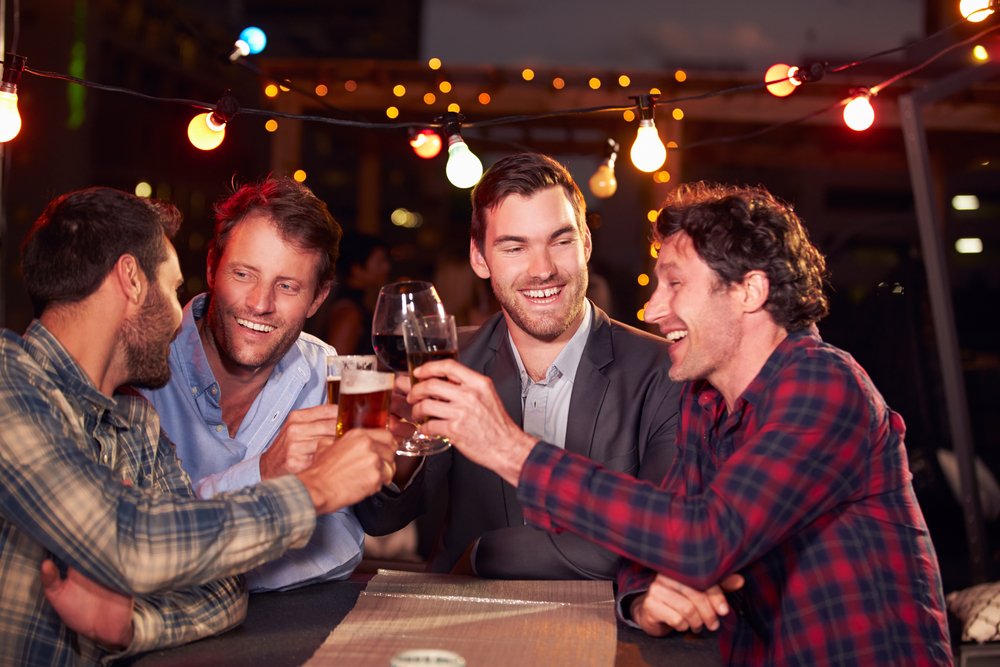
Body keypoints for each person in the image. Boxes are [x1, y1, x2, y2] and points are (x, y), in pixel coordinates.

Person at [406, 182, 952, 664]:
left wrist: (511, 450)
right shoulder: (705, 402)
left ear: (747, 291)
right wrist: (645, 600)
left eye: (673, 284)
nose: (650, 309)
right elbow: (663, 532)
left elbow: (700, 538)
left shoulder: (823, 384)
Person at [0, 187, 396, 665]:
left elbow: (223, 584)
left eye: (287, 285)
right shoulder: (9, 380)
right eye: (172, 289)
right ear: (131, 280)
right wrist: (310, 491)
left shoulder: (133, 422)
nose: (179, 315)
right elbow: (126, 539)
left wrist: (133, 626)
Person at [357, 153, 680, 580]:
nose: (542, 269)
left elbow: (660, 541)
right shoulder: (449, 361)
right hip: (464, 621)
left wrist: (483, 554)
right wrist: (397, 449)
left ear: (585, 243)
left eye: (560, 241)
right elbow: (381, 521)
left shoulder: (665, 370)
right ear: (479, 258)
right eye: (514, 247)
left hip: (604, 626)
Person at [141, 177, 366, 591]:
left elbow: (340, 541)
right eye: (243, 274)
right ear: (211, 268)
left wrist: (200, 570)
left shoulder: (325, 372)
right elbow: (133, 541)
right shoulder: (142, 360)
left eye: (287, 286)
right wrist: (264, 475)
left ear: (317, 299)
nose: (260, 304)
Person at [322, 231, 391, 355]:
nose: (387, 267)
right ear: (357, 269)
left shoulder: (352, 304)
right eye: (380, 262)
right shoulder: (349, 311)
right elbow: (338, 364)